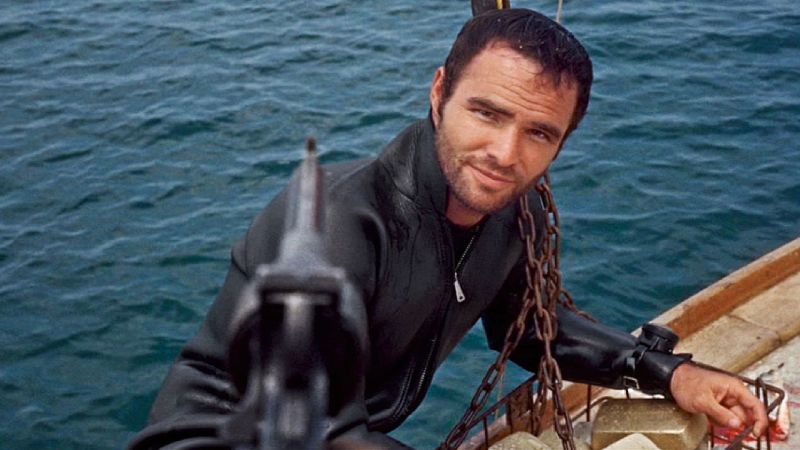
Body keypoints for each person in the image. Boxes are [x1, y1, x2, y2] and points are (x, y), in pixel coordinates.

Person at [131, 8, 767, 449]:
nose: (504, 153)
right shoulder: (331, 224)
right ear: (439, 93)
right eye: (486, 113)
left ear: (562, 142)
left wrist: (668, 373)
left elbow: (530, 331)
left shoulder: (516, 211)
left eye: (538, 133)